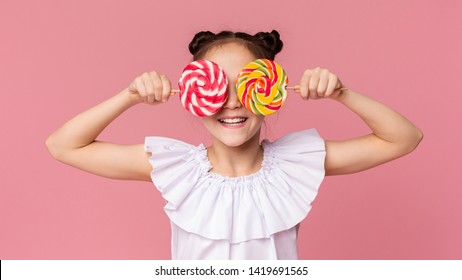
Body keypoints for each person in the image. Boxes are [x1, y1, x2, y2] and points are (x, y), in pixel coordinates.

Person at [45, 30, 423, 259]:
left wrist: (342, 93)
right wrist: (128, 96)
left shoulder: (296, 164)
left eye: (246, 86)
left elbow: (404, 138)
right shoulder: (174, 167)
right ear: (192, 94)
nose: (231, 100)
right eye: (216, 87)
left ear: (270, 91)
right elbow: (63, 145)